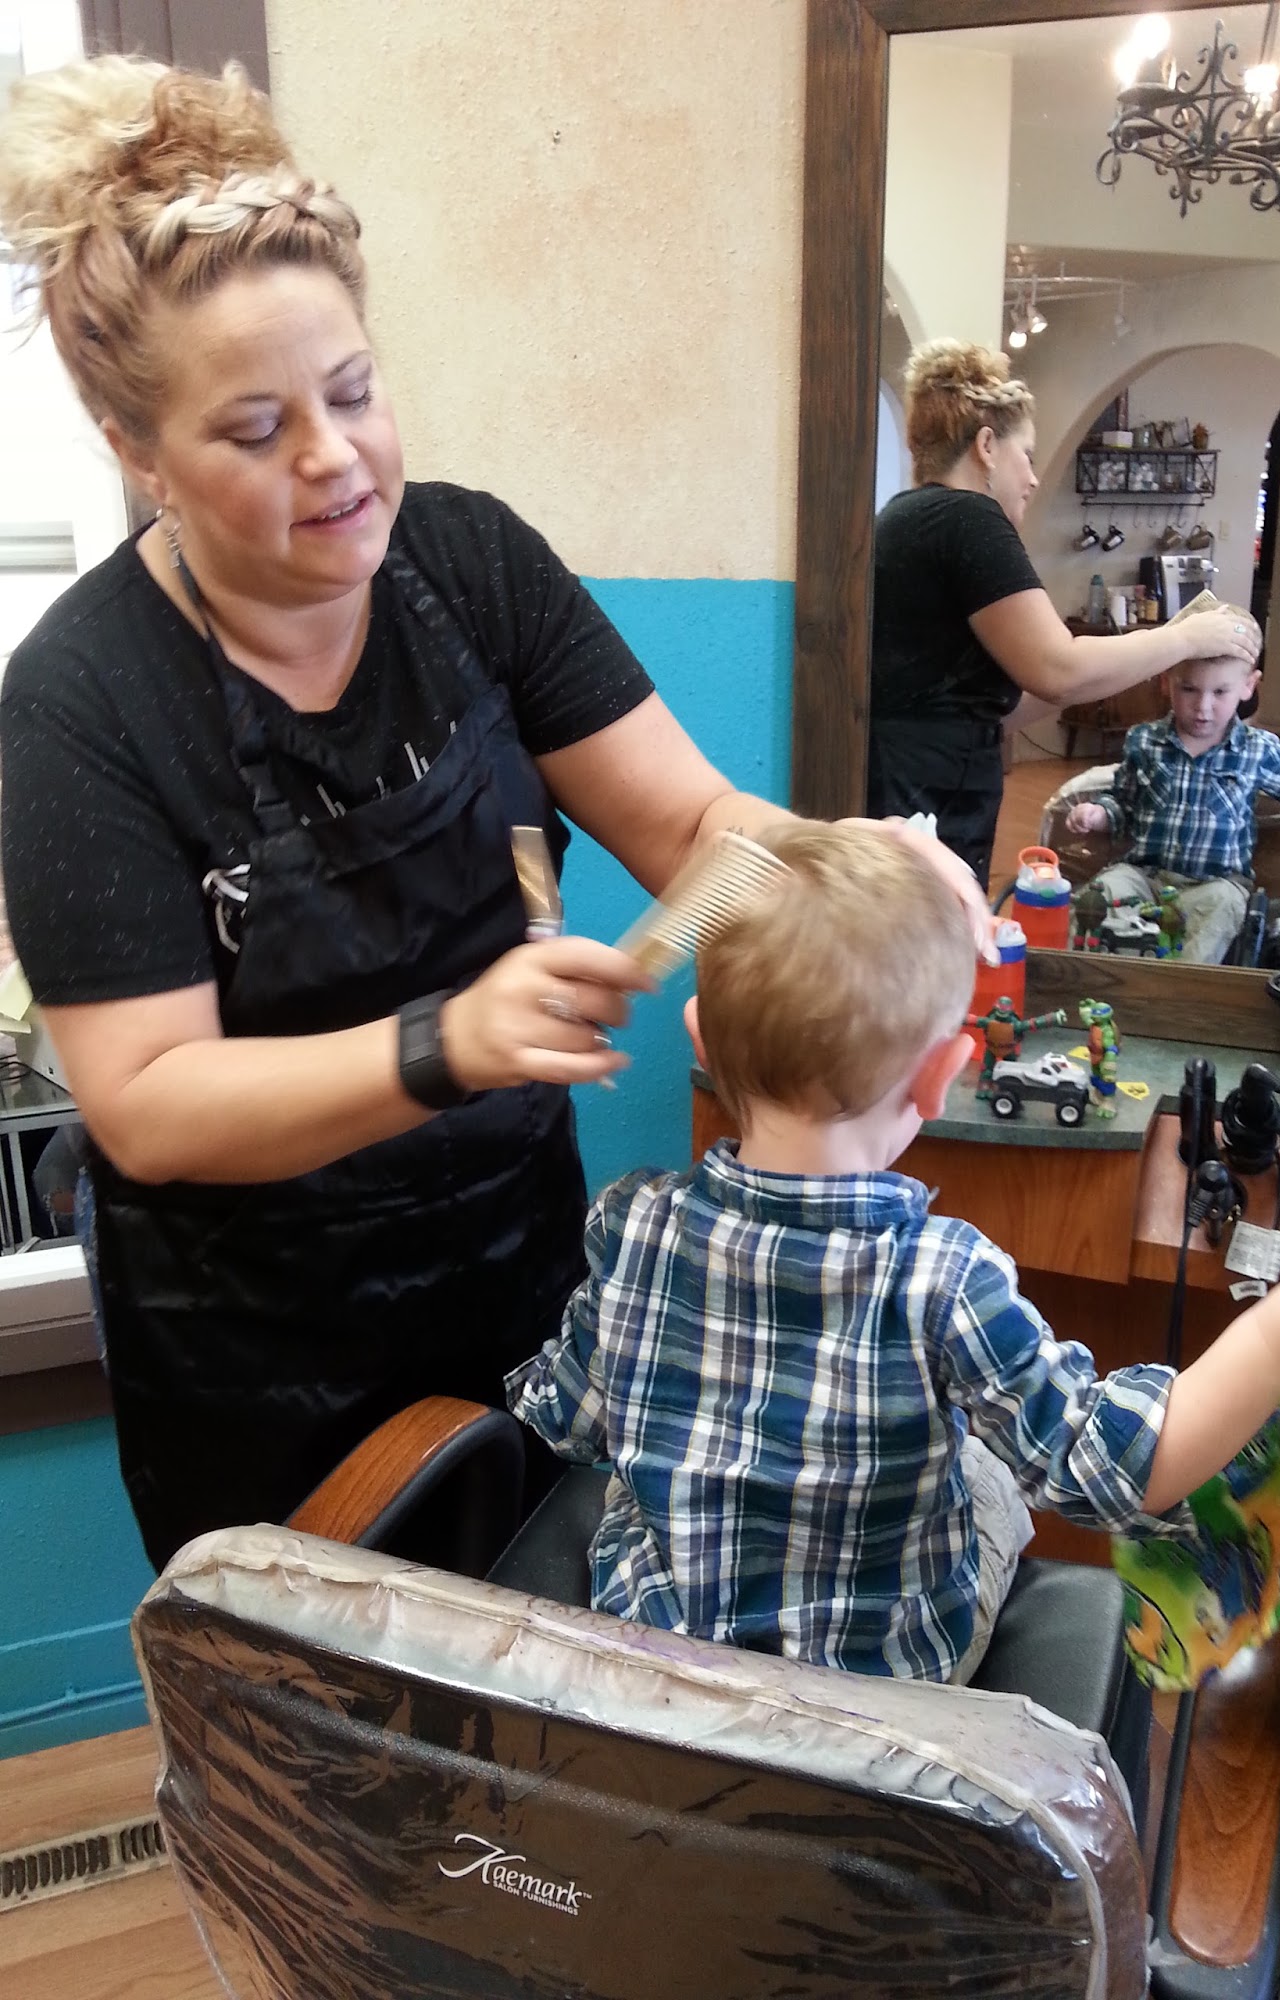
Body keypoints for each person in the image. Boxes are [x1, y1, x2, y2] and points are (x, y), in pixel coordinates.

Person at [0, 57, 984, 1573]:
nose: (333, 457)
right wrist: (445, 1043)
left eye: (354, 392)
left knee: (531, 1667)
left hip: (523, 1280)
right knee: (330, 1714)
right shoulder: (83, 702)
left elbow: (693, 834)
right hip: (259, 1354)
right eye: (254, 431)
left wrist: (839, 858)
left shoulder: (472, 569)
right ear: (139, 452)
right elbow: (149, 1102)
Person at [508, 824, 1280, 1683]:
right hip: (870, 1699)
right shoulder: (945, 1280)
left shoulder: (629, 1222)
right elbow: (1116, 1471)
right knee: (994, 1480)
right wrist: (1277, 1340)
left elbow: (570, 1421)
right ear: (942, 1078)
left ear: (701, 1039)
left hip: (661, 1677)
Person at [867, 339, 1261, 883]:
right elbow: (1058, 669)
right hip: (927, 798)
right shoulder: (967, 519)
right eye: (1027, 455)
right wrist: (1186, 638)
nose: (1033, 478)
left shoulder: (907, 517)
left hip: (910, 787)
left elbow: (995, 708)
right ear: (987, 445)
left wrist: (1136, 660)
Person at [1065, 603, 1280, 963]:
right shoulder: (1144, 741)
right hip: (1144, 876)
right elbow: (1122, 803)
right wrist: (1099, 814)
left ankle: (1180, 983)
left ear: (1248, 686)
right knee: (1099, 895)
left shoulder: (1255, 749)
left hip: (1214, 885)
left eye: (1220, 692)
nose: (1203, 706)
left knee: (1223, 907)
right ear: (1166, 682)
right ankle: (1107, 974)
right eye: (1189, 689)